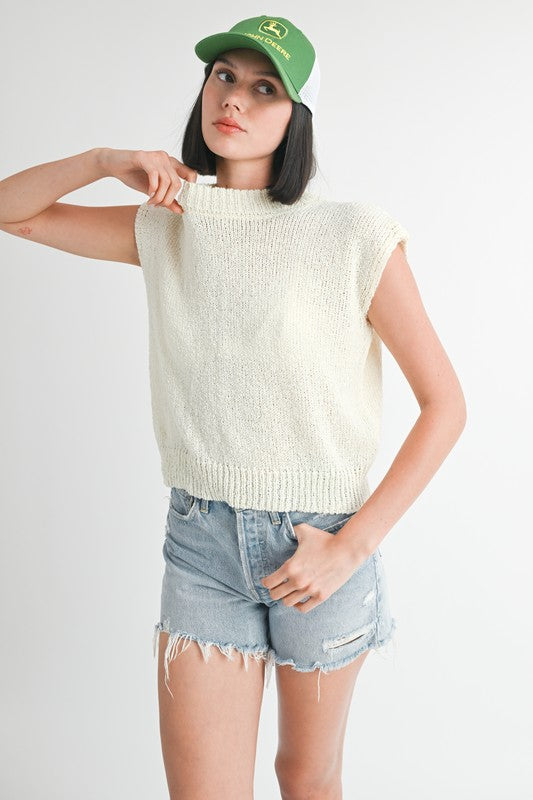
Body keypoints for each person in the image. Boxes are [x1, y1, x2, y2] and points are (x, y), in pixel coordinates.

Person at [0, 14, 467, 800]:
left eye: (264, 88)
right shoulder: (166, 225)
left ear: (296, 116)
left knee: (304, 776)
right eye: (224, 77)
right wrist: (103, 160)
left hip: (320, 543)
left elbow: (444, 404)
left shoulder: (353, 234)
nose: (235, 100)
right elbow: (10, 210)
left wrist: (349, 548)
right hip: (201, 543)